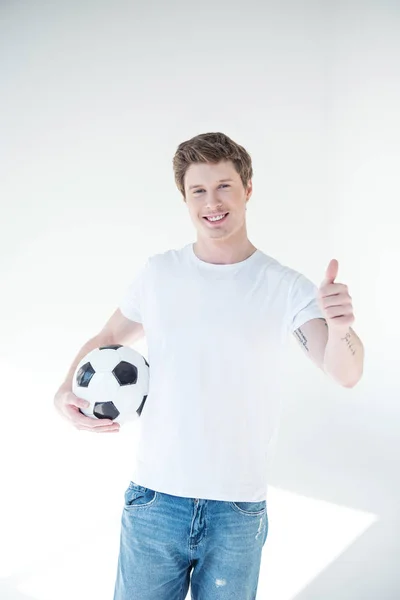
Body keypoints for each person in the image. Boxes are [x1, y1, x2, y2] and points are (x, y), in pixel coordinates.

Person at [54, 132, 364, 600]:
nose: (212, 202)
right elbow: (107, 339)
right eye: (198, 190)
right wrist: (64, 389)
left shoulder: (284, 287)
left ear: (248, 189)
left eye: (224, 186)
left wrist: (341, 328)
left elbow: (344, 372)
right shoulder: (159, 273)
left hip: (237, 510)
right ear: (185, 198)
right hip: (155, 500)